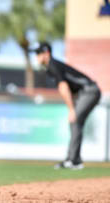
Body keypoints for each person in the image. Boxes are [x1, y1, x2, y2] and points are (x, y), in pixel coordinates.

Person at [32, 42, 101, 170]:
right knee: (75, 122)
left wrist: (71, 109)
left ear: (46, 53)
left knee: (75, 120)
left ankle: (73, 160)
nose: (36, 56)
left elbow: (63, 87)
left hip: (90, 91)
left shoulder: (52, 64)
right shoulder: (52, 66)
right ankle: (73, 159)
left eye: (38, 53)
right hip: (86, 92)